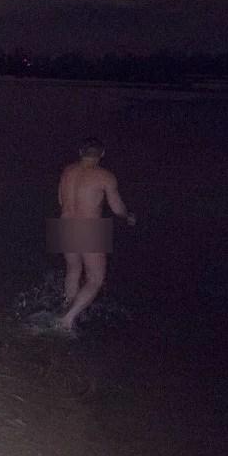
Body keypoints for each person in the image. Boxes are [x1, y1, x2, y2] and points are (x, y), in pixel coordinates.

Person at [55, 137, 135, 332]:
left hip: (65, 223)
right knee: (96, 279)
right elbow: (116, 208)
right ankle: (67, 319)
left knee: (73, 269)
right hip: (89, 227)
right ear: (102, 154)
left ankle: (67, 307)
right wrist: (128, 216)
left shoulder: (67, 170)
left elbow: (60, 200)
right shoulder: (105, 176)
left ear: (80, 151)